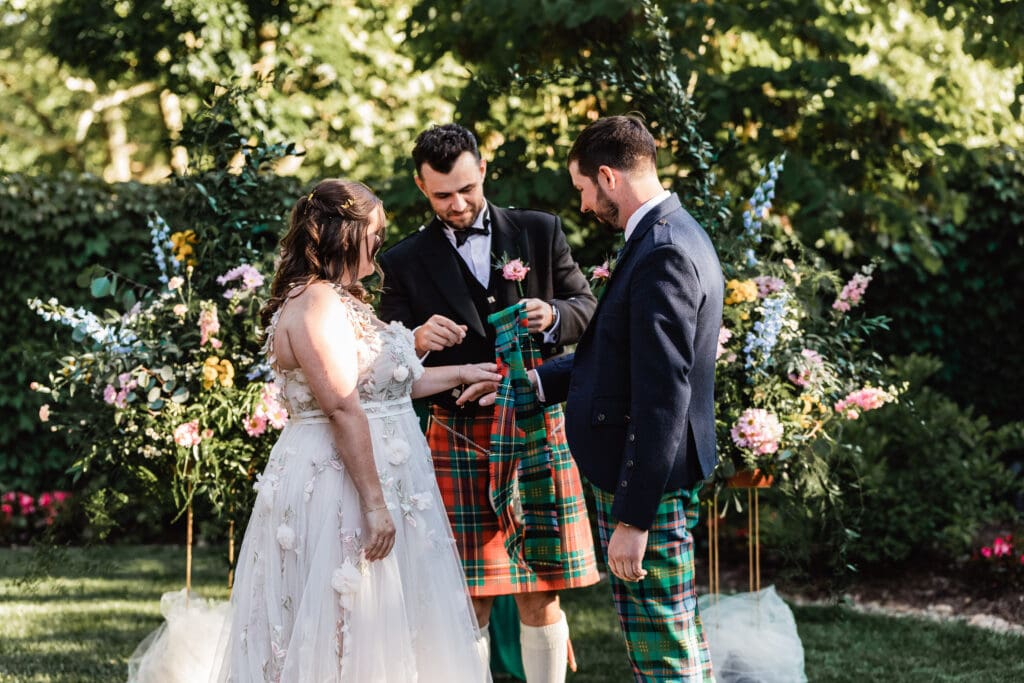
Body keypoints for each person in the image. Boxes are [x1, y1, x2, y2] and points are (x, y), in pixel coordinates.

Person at [213, 179, 501, 681]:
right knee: (346, 628)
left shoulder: (340, 298)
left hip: (376, 473)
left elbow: (379, 389)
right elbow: (344, 408)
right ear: (343, 234)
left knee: (384, 623)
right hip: (340, 482)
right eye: (375, 231)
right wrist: (374, 505)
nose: (381, 240)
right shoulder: (317, 304)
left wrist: (459, 373)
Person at [378, 123, 600, 683]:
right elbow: (382, 360)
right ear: (420, 187)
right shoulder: (403, 260)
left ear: (482, 169)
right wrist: (416, 339)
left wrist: (553, 314)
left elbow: (588, 308)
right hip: (459, 435)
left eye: (466, 190)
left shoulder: (538, 230)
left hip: (533, 431)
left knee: (541, 596)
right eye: (441, 196)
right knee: (467, 597)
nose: (457, 205)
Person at [534, 115, 724, 681]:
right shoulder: (669, 232)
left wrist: (633, 518)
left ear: (609, 176)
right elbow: (622, 357)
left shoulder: (662, 250)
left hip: (649, 487)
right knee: (674, 635)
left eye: (585, 188)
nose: (587, 204)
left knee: (662, 646)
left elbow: (663, 394)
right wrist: (542, 382)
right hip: (655, 478)